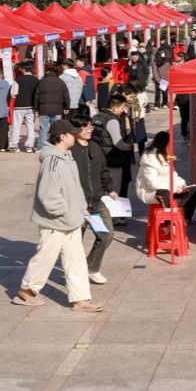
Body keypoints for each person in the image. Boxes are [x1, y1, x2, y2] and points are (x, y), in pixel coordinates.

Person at [12, 119, 103, 312]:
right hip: (55, 221)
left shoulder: (66, 157)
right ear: (62, 137)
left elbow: (74, 189)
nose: (75, 136)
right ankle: (27, 291)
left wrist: (80, 208)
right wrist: (64, 212)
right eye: (72, 134)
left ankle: (80, 300)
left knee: (76, 260)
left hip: (71, 219)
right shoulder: (52, 161)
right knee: (45, 257)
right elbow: (48, 195)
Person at [69, 113, 115, 285]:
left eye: (90, 126)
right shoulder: (70, 150)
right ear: (75, 130)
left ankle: (91, 268)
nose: (90, 130)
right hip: (78, 205)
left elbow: (103, 170)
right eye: (85, 127)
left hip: (95, 203)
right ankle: (74, 274)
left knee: (106, 234)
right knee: (75, 242)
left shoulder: (95, 147)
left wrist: (110, 188)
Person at [136, 130, 196, 223]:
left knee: (193, 190)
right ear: (164, 144)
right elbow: (153, 183)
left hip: (168, 187)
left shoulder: (165, 155)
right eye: (170, 144)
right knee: (165, 193)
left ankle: (183, 217)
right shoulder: (150, 159)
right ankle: (169, 222)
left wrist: (182, 185)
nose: (172, 146)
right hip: (150, 191)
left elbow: (173, 175)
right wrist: (174, 188)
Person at [92, 93, 136, 203]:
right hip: (112, 159)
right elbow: (118, 143)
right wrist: (129, 147)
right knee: (114, 191)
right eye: (122, 107)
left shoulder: (97, 117)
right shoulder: (112, 120)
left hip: (97, 157)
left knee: (100, 189)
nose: (123, 110)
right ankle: (113, 213)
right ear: (114, 108)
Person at [34, 62, 71, 149]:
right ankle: (55, 146)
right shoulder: (60, 82)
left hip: (44, 109)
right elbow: (66, 95)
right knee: (56, 128)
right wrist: (66, 107)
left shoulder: (42, 82)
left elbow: (36, 96)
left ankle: (41, 147)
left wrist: (36, 108)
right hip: (57, 109)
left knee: (44, 129)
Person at [9, 63, 40, 153]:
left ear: (23, 69)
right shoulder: (36, 80)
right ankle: (29, 146)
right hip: (31, 106)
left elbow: (13, 93)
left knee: (16, 125)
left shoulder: (18, 80)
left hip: (19, 105)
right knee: (30, 126)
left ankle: (14, 145)